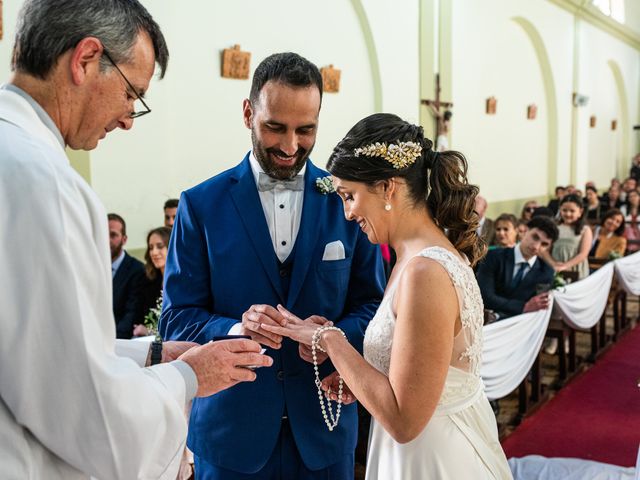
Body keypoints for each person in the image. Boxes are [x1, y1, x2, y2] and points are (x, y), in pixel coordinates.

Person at [0, 2, 273, 479]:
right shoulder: (47, 185)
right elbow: (85, 414)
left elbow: (27, 348)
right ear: (85, 60)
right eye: (132, 94)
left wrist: (149, 354)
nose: (128, 119)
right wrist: (189, 377)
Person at [159, 52, 385, 479]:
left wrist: (330, 338)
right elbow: (176, 319)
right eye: (275, 127)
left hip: (325, 427)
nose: (290, 146)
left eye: (306, 130)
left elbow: (375, 306)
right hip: (230, 433)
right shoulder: (200, 205)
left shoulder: (347, 203)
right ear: (248, 113)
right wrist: (233, 329)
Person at [261, 113, 512, 479]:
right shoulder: (416, 256)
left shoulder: (425, 271)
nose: (347, 213)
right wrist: (359, 373)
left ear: (388, 188)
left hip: (431, 456)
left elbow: (404, 419)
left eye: (350, 196)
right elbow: (418, 372)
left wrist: (329, 340)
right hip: (425, 442)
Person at [477, 216, 558, 319]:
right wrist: (523, 306)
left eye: (544, 244)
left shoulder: (546, 272)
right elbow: (484, 296)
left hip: (521, 325)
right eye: (535, 237)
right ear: (524, 231)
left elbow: (536, 308)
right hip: (485, 323)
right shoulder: (493, 257)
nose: (536, 246)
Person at [109, 213, 145, 338]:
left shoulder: (137, 270)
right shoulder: (92, 266)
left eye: (113, 235)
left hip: (120, 340)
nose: (107, 240)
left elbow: (132, 313)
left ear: (124, 239)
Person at [541, 194, 592, 280]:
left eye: (572, 211)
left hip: (576, 269)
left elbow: (583, 253)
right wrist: (554, 264)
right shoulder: (554, 228)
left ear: (580, 212)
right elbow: (545, 250)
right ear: (560, 210)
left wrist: (566, 265)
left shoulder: (585, 230)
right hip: (555, 269)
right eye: (564, 210)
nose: (568, 214)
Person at [133, 226, 172, 337]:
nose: (154, 252)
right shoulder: (146, 281)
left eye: (160, 247)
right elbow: (139, 319)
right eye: (151, 248)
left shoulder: (186, 280)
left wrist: (151, 331)